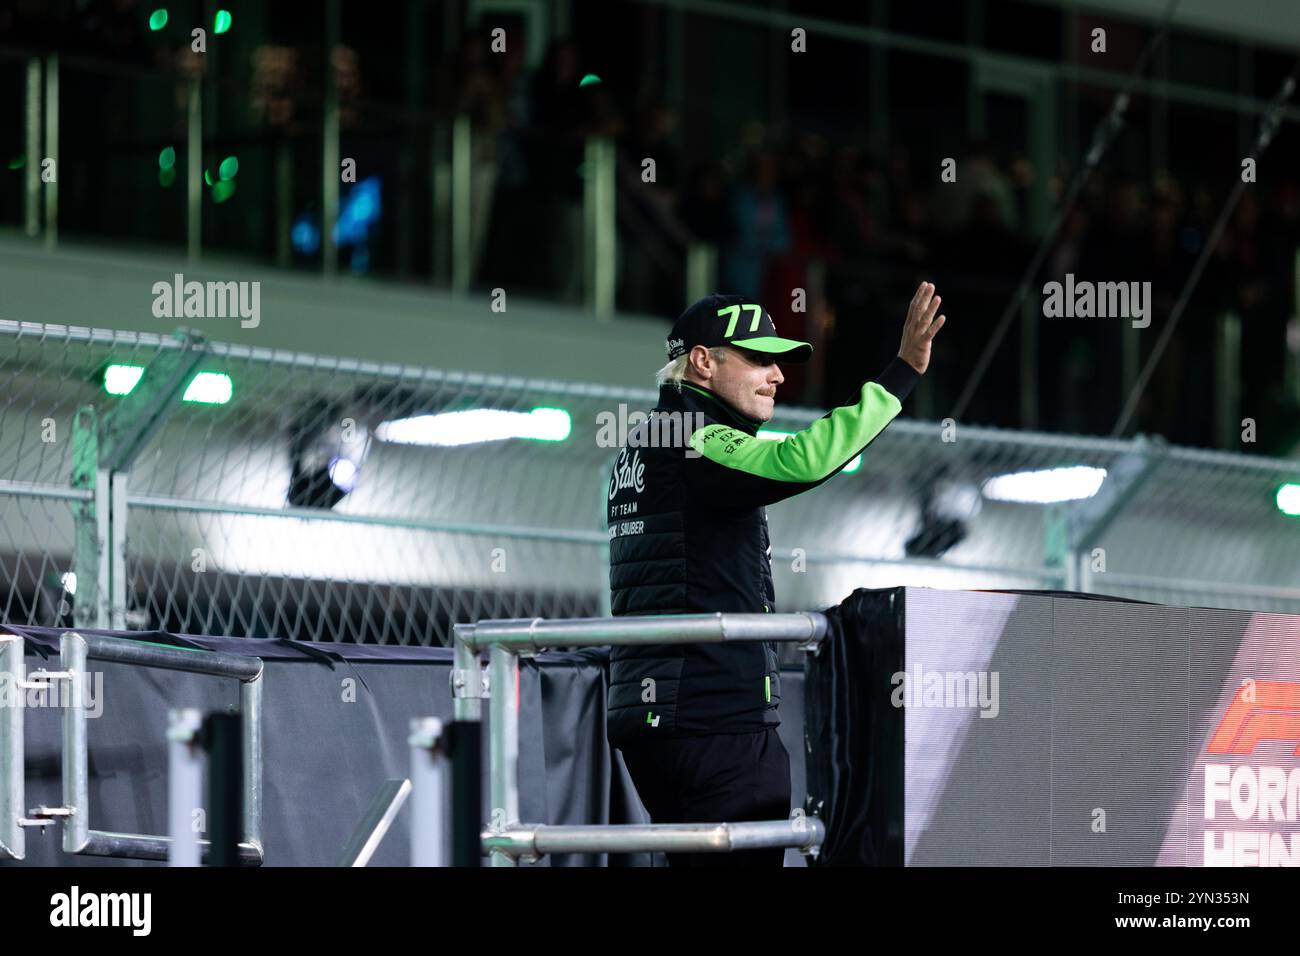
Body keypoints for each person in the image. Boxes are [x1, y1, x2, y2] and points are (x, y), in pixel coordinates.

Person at [605, 283, 946, 865]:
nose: (777, 375)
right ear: (703, 362)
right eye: (759, 359)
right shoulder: (693, 439)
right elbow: (801, 459)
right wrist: (901, 375)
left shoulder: (644, 444)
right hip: (714, 722)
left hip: (664, 718)